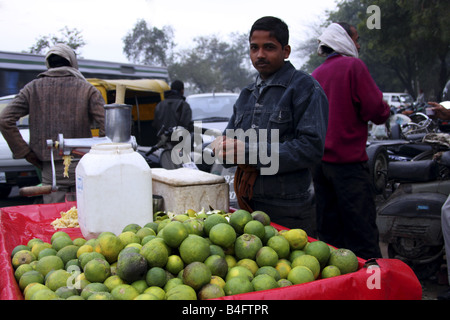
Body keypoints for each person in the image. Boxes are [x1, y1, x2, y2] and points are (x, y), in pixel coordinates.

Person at [211, 16, 329, 235]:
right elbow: (229, 142)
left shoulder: (305, 88)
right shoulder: (246, 94)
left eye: (269, 47)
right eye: (254, 48)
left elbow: (311, 148)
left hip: (289, 208)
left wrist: (249, 152)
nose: (260, 55)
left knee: (293, 268)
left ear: (286, 51)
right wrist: (220, 147)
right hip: (248, 205)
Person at [311, 22, 390, 259]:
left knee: (330, 237)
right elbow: (377, 111)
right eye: (356, 39)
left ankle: (336, 285)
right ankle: (372, 288)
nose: (358, 45)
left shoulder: (316, 74)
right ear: (344, 40)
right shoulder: (354, 67)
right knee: (362, 234)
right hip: (348, 168)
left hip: (320, 168)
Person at [0, 44, 105, 204]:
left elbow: (4, 120)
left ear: (48, 64)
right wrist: (100, 152)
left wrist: (26, 153)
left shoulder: (32, 88)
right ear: (72, 62)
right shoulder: (87, 89)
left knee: (56, 218)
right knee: (86, 213)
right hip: (83, 164)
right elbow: (107, 123)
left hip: (49, 168)